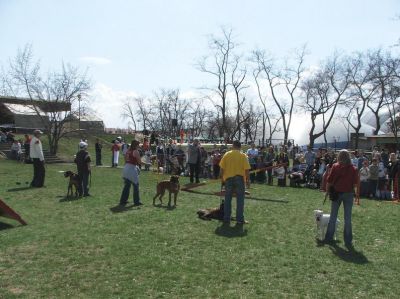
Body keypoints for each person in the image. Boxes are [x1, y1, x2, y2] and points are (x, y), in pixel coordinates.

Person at [324, 149, 359, 250]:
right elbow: (355, 184)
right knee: (347, 219)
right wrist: (355, 194)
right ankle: (348, 241)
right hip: (348, 194)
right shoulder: (354, 168)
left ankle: (329, 237)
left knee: (333, 216)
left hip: (336, 193)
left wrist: (327, 192)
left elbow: (329, 180)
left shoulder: (335, 166)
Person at [219, 140, 251, 224]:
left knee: (227, 199)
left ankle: (226, 218)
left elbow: (221, 168)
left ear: (233, 146)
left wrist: (222, 179)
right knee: (240, 200)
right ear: (240, 147)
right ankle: (240, 219)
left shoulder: (227, 154)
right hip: (239, 179)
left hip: (228, 179)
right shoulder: (243, 155)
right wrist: (248, 180)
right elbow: (247, 169)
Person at [119, 140, 143, 206]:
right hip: (132, 169)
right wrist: (148, 163)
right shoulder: (136, 151)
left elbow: (125, 159)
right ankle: (136, 201)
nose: (139, 146)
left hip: (126, 167)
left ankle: (123, 200)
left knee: (127, 185)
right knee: (136, 185)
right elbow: (139, 162)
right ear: (136, 145)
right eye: (138, 145)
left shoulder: (128, 151)